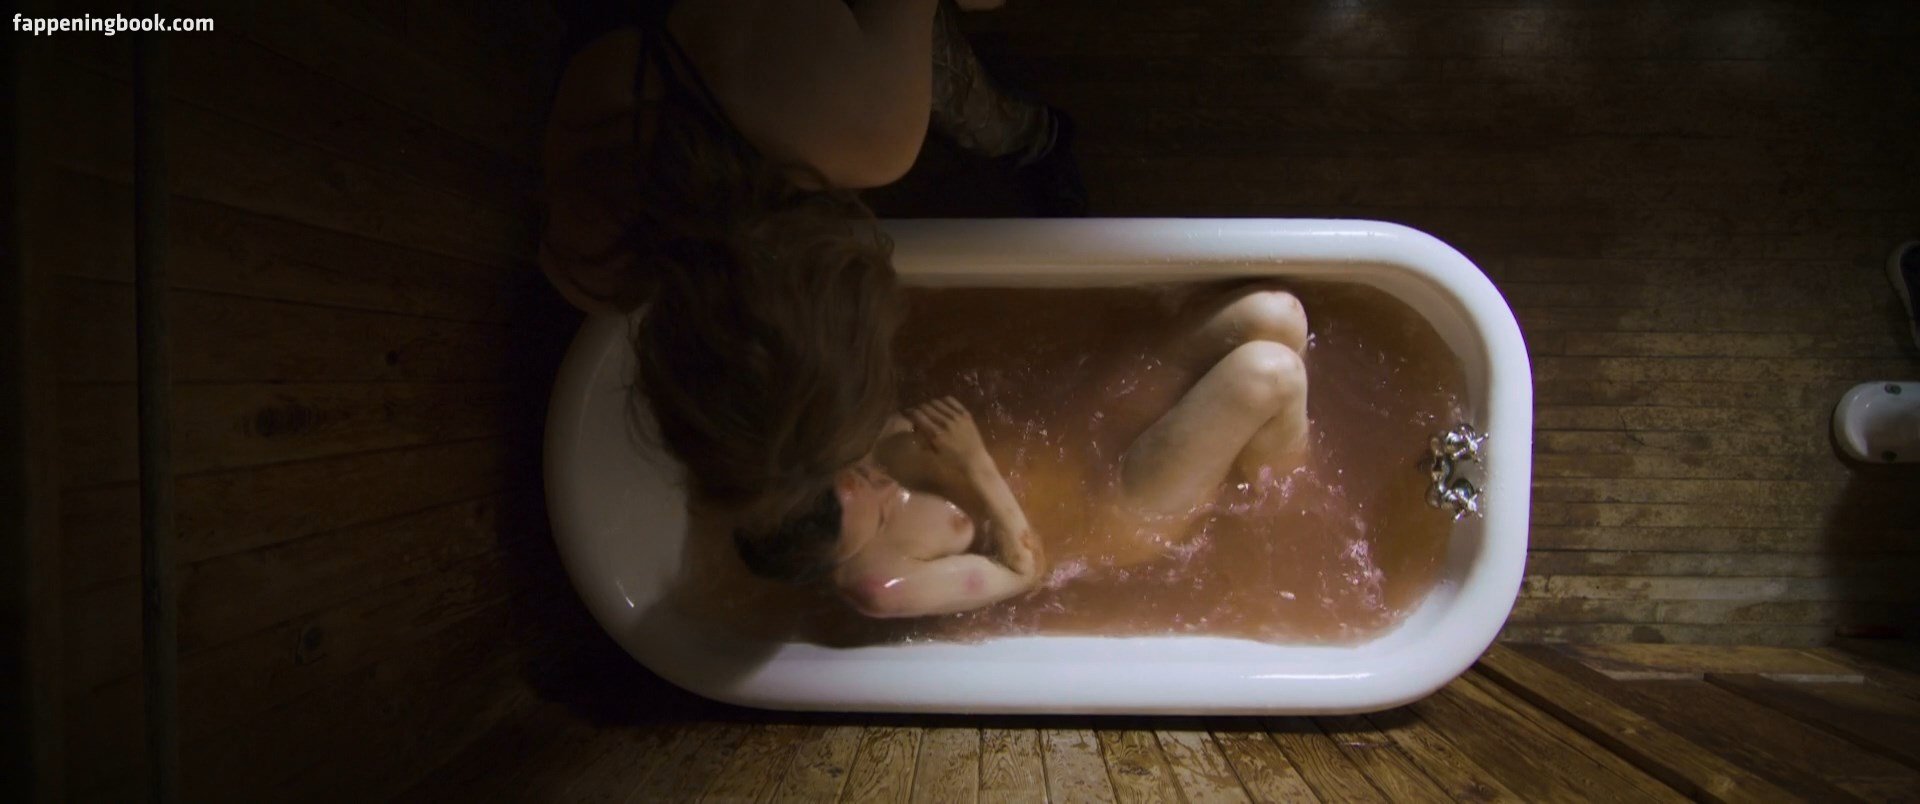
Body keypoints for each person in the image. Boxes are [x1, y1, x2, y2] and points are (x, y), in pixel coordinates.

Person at [540, 0, 1084, 536]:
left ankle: (1037, 138)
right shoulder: (588, 265)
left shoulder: (864, 125)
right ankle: (1034, 139)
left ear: (851, 289)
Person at [734, 285, 1312, 618]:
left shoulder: (828, 454)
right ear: (840, 552)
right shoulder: (880, 584)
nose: (875, 477)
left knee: (1274, 315)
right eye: (878, 506)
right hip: (1113, 511)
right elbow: (1025, 573)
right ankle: (1285, 490)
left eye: (856, 472)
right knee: (1270, 374)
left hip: (1083, 429)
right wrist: (972, 461)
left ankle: (1259, 443)